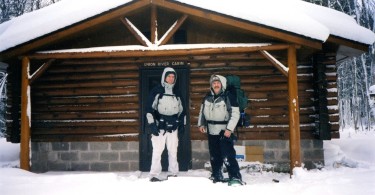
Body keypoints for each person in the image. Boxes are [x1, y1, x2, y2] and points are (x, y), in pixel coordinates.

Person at [198, 74, 243, 184]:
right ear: (211, 85)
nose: (216, 84)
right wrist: (201, 124)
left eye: (218, 82)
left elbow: (235, 114)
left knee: (228, 156)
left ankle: (235, 177)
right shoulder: (207, 97)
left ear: (222, 84)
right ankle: (216, 175)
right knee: (214, 155)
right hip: (211, 130)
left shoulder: (229, 96)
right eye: (214, 83)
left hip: (224, 131)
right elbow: (202, 112)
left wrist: (229, 129)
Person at [145, 67, 185, 182]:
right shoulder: (157, 91)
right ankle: (154, 174)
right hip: (159, 126)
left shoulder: (176, 92)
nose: (171, 79)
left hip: (173, 127)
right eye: (169, 76)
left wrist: (182, 124)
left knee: (173, 151)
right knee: (157, 151)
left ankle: (173, 173)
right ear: (164, 77)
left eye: (173, 77)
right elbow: (149, 110)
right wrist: (152, 125)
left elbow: (182, 111)